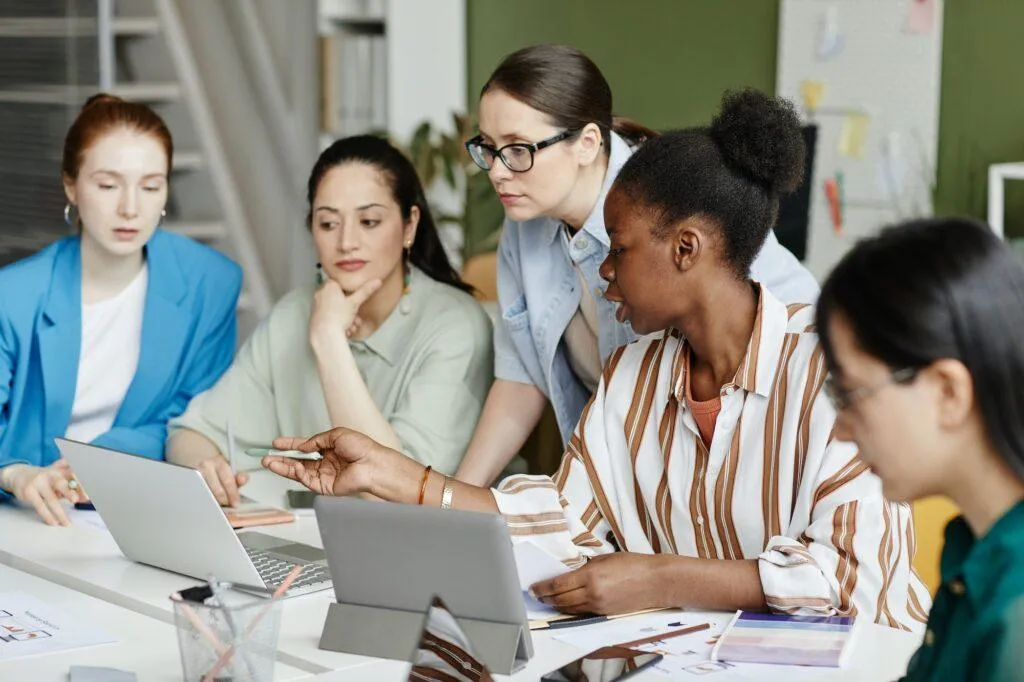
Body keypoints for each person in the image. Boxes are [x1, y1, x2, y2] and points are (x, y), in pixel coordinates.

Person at [262, 91, 927, 627]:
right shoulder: (635, 373)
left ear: (686, 249)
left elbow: (852, 579)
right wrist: (395, 475)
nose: (601, 271)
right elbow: (562, 517)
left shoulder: (837, 369)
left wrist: (659, 578)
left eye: (619, 249)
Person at [456, 44, 819, 486]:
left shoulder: (671, 203)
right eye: (488, 148)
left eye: (517, 149)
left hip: (728, 458)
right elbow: (521, 377)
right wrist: (453, 500)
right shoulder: (523, 222)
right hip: (621, 470)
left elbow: (792, 349)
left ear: (587, 143)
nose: (496, 171)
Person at [167, 135, 495, 506]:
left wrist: (328, 339)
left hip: (421, 538)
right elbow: (189, 434)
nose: (346, 241)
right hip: (300, 531)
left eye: (369, 221)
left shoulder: (457, 328)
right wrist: (205, 469)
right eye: (328, 224)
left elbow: (394, 498)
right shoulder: (293, 312)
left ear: (409, 226)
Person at [0, 94, 242, 526]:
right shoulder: (14, 295)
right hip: (26, 515)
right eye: (108, 185)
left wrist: (97, 462)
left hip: (145, 505)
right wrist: (16, 474)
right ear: (71, 186)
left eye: (150, 186)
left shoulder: (211, 283)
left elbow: (193, 414)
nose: (131, 208)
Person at [815, 218, 1024, 680]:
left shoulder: (1016, 614)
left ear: (948, 392)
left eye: (850, 395)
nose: (842, 430)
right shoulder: (975, 551)